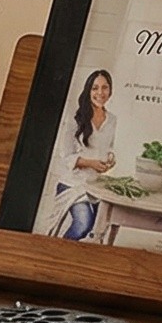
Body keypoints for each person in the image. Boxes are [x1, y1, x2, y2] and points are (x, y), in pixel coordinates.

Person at [42, 68, 116, 239]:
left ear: (110, 91)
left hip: (95, 185)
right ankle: (59, 253)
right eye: (95, 88)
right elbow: (65, 156)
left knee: (100, 227)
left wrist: (110, 159)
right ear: (88, 90)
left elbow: (109, 148)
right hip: (71, 183)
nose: (100, 93)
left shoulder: (112, 119)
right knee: (83, 224)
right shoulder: (75, 119)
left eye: (105, 87)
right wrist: (91, 163)